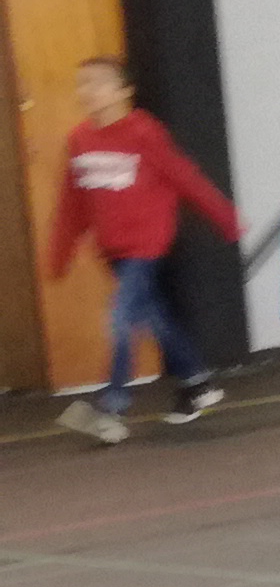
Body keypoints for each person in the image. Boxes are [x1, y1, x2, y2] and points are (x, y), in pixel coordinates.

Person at [42, 55, 237, 444]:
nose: (88, 91)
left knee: (121, 316)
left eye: (98, 82)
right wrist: (59, 254)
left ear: (124, 91)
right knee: (153, 315)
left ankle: (111, 407)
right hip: (112, 249)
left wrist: (225, 218)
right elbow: (72, 205)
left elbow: (185, 178)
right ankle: (197, 382)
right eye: (83, 83)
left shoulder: (144, 133)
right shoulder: (80, 140)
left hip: (146, 244)